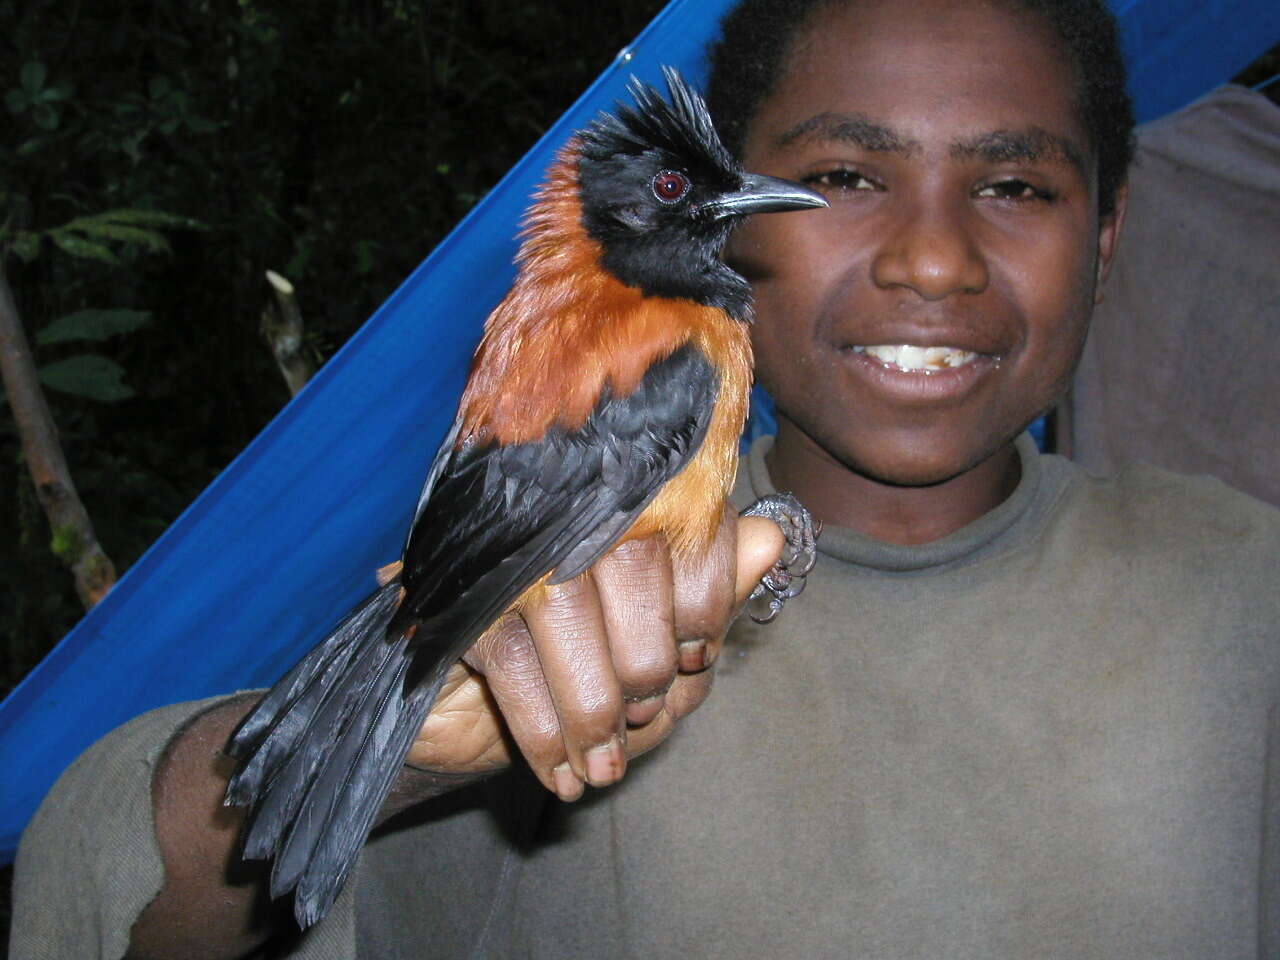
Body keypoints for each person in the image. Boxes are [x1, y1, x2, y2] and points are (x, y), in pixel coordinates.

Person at [12, 0, 1280, 956]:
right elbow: (87, 881)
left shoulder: (1242, 584)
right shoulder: (651, 340)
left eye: (1011, 184)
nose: (930, 261)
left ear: (1107, 236)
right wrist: (419, 740)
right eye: (841, 177)